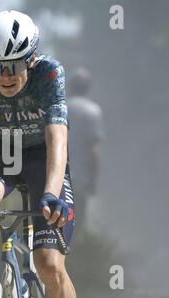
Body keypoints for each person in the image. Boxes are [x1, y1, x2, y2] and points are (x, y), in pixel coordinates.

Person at [0, 10, 76, 298]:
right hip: (2, 153)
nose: (5, 76)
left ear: (31, 58)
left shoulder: (48, 73)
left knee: (50, 267)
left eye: (13, 65)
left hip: (42, 158)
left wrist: (51, 192)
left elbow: (57, 138)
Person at [67, 68, 104, 229]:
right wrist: (93, 179)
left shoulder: (60, 107)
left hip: (57, 174)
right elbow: (93, 151)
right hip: (81, 179)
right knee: (77, 224)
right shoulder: (93, 111)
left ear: (70, 86)